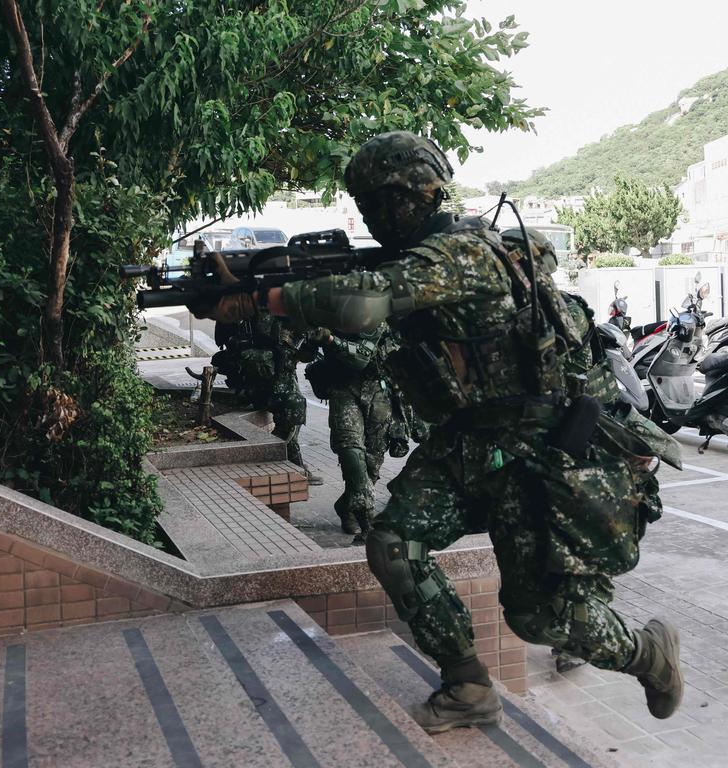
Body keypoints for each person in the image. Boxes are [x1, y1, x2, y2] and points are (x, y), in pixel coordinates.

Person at [196, 131, 683, 732]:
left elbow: (364, 304)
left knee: (540, 618)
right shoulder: (432, 255)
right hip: (470, 440)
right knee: (393, 544)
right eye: (366, 203)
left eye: (380, 201)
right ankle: (468, 685)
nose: (373, 216)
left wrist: (260, 301)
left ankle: (647, 653)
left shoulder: (460, 255)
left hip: (536, 449)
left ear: (414, 196)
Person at [300, 325, 395, 542]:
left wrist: (332, 340)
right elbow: (304, 354)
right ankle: (366, 518)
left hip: (378, 388)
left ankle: (346, 506)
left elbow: (364, 355)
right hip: (343, 388)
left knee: (373, 460)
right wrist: (316, 339)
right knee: (351, 451)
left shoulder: (379, 308)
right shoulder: (332, 311)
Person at [212, 314, 322, 485]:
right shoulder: (262, 308)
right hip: (264, 373)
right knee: (294, 407)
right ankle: (289, 461)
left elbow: (302, 351)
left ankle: (290, 461)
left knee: (293, 410)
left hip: (270, 371)